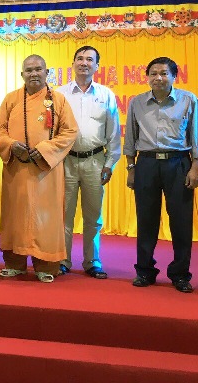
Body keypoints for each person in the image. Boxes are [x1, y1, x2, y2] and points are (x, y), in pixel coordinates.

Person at [125, 56, 198, 293]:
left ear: (174, 76)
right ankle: (144, 271)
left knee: (181, 221)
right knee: (146, 219)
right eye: (153, 74)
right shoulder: (137, 102)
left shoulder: (189, 100)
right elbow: (130, 138)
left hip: (178, 163)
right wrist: (131, 168)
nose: (158, 78)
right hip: (146, 164)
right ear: (147, 77)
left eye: (163, 73)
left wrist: (195, 167)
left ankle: (180, 274)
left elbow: (197, 136)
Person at [0, 55, 78, 283]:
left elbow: (70, 132)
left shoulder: (58, 100)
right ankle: (15, 264)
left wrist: (44, 149)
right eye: (29, 70)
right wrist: (11, 145)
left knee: (47, 219)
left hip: (46, 171)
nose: (34, 74)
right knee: (15, 216)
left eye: (38, 69)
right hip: (17, 169)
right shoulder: (11, 99)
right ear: (22, 74)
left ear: (46, 72)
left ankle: (46, 266)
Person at [56, 46, 121, 279]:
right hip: (66, 161)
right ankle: (62, 260)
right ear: (73, 63)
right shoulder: (59, 94)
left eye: (89, 59)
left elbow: (113, 133)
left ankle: (92, 261)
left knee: (93, 216)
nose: (84, 63)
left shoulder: (106, 95)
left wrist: (109, 164)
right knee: (64, 214)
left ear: (97, 66)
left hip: (96, 161)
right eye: (80, 58)